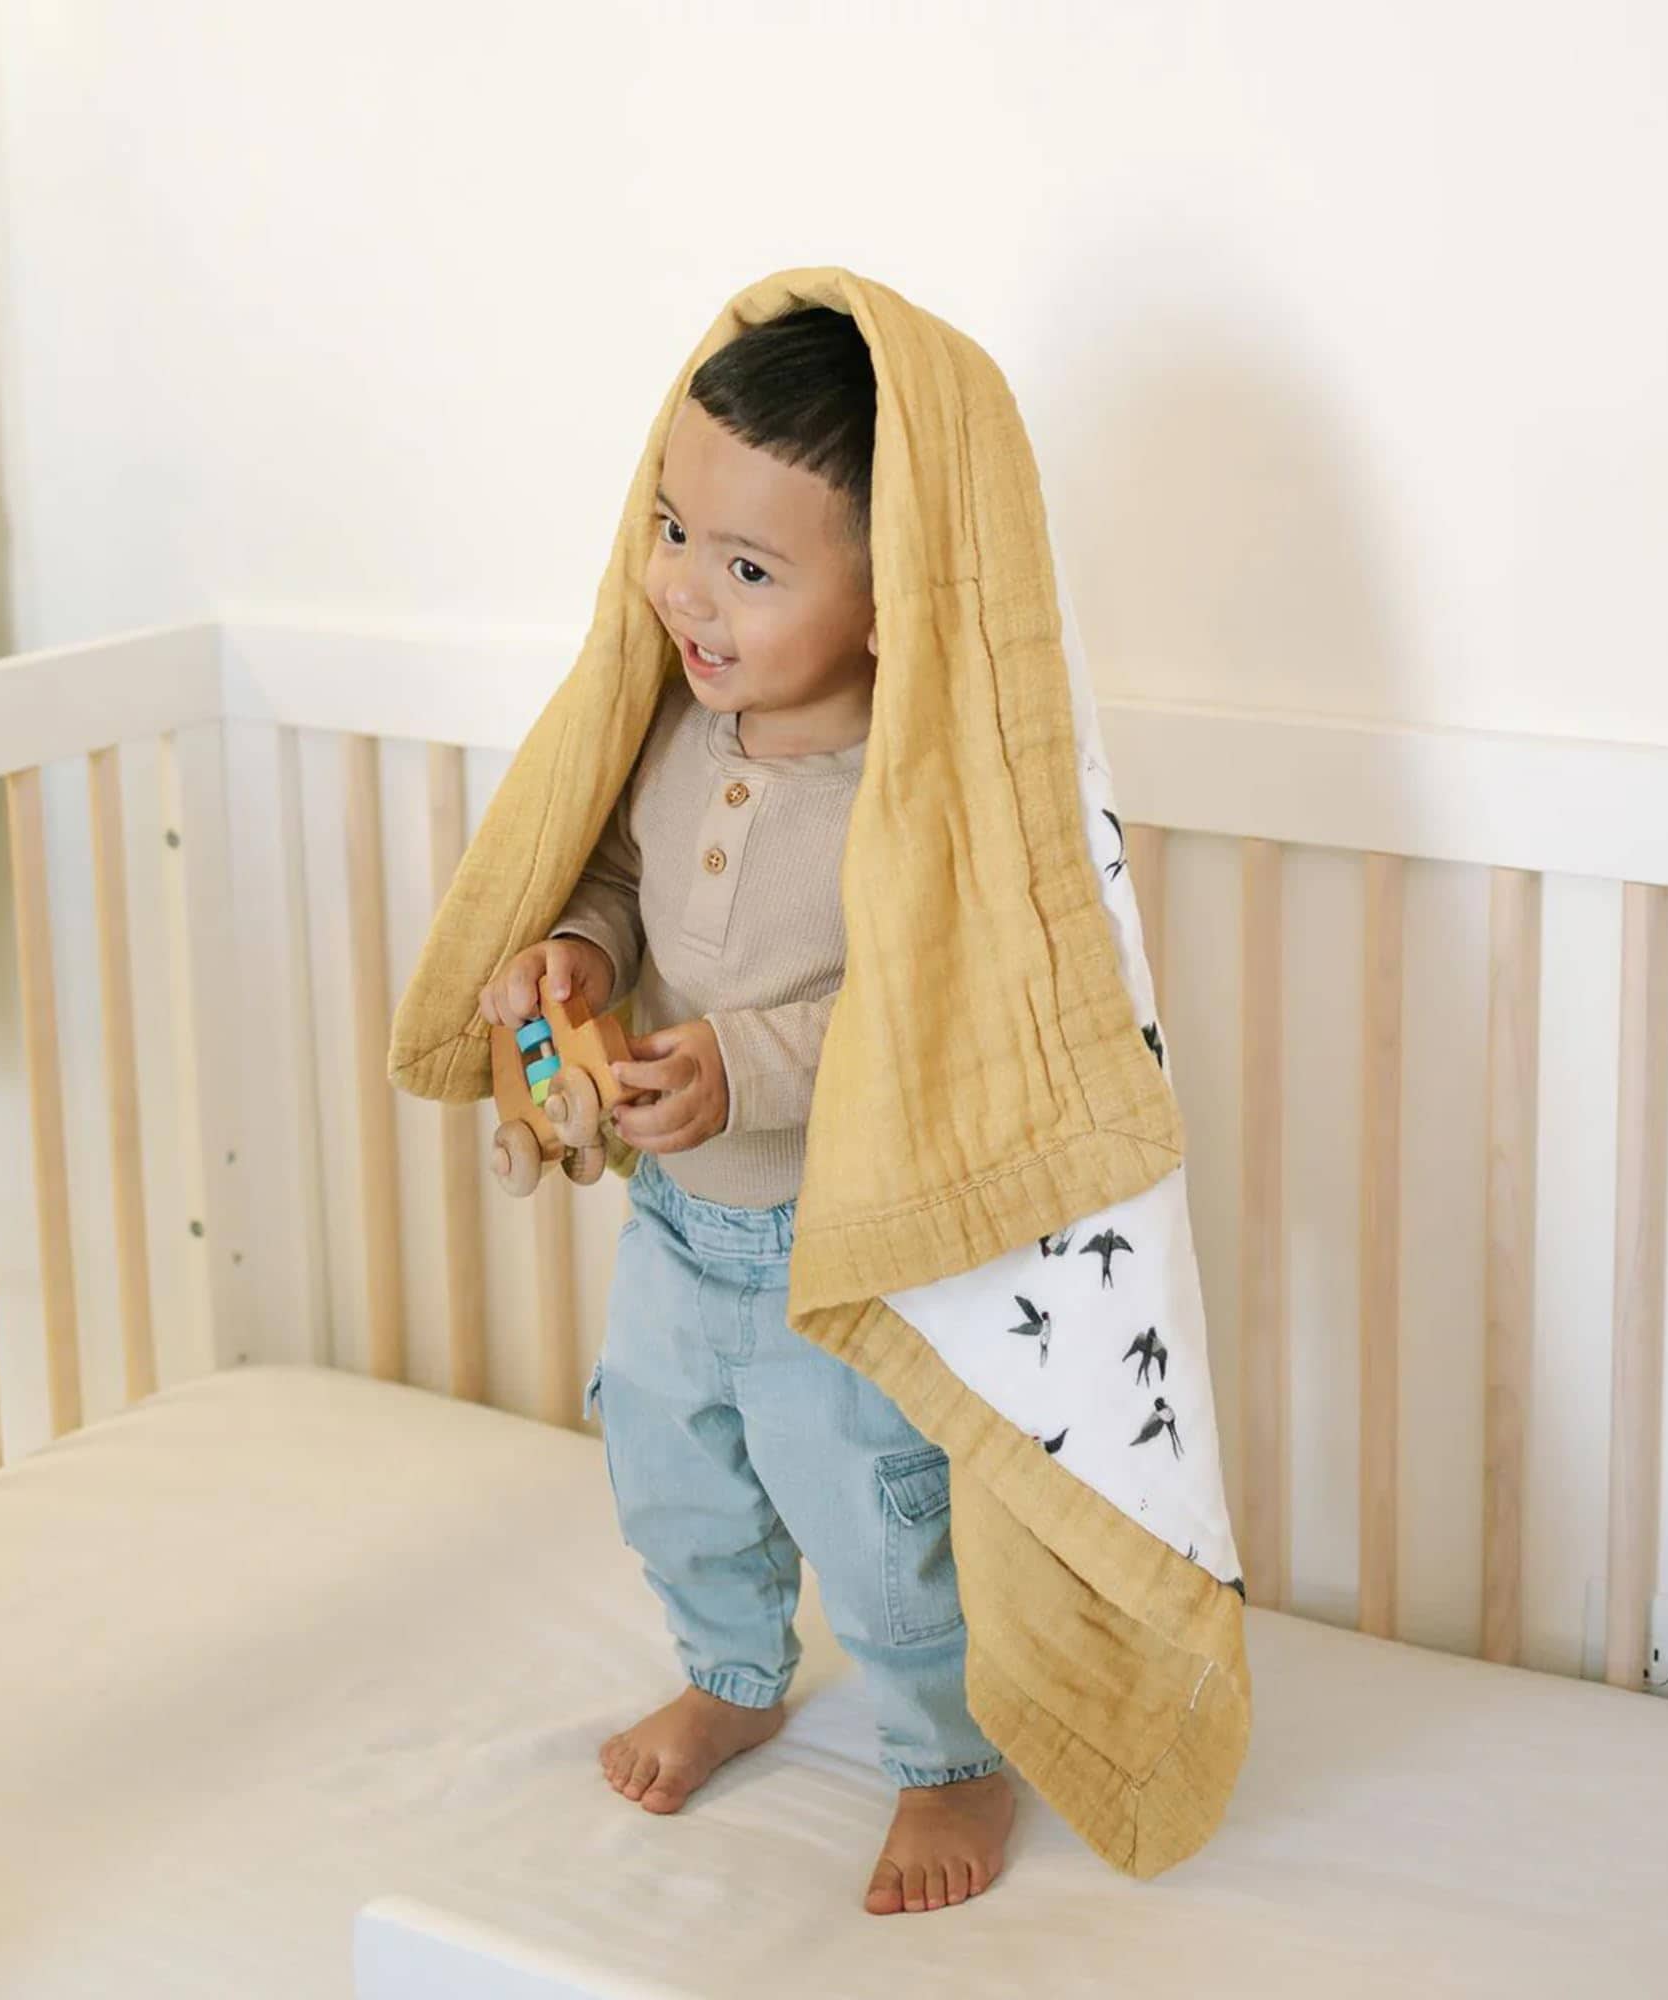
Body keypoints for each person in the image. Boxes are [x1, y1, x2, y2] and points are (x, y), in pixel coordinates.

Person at [477, 306, 1014, 1916]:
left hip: (833, 1256)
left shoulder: (908, 797)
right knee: (670, 1466)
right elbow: (620, 873)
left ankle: (949, 1756)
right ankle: (731, 1673)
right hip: (676, 1225)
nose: (686, 593)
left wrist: (747, 1065)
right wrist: (581, 950)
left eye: (751, 567)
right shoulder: (671, 728)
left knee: (876, 1516)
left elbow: (935, 1011)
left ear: (889, 599)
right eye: (670, 532)